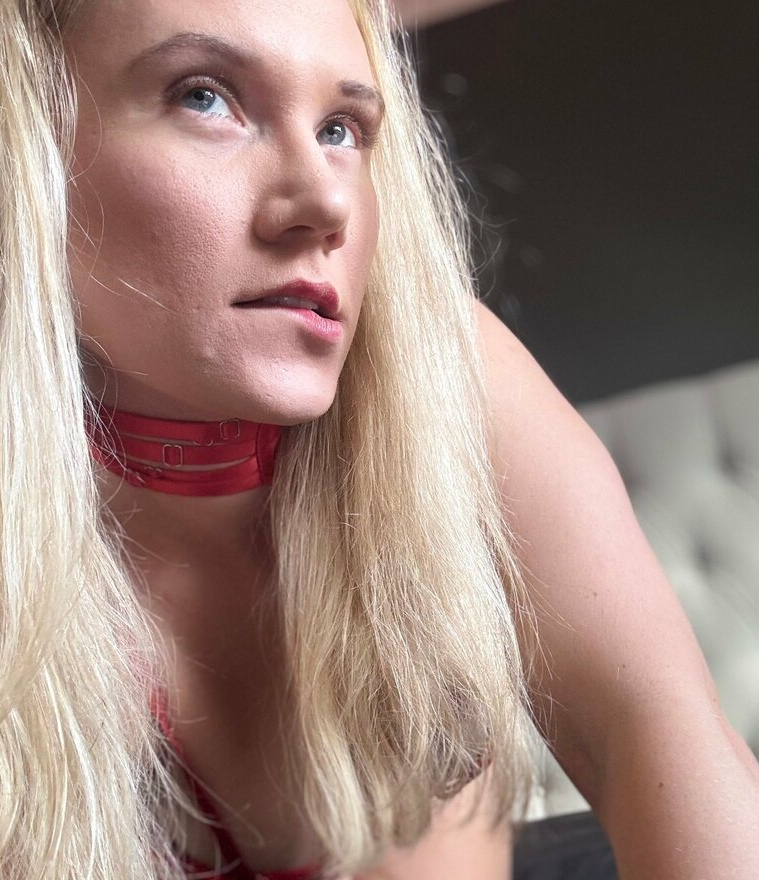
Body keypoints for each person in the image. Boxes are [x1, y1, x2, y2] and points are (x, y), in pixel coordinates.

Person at [0, 1, 757, 879]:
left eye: (342, 129)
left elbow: (650, 735)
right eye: (203, 96)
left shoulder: (435, 373)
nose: (324, 201)